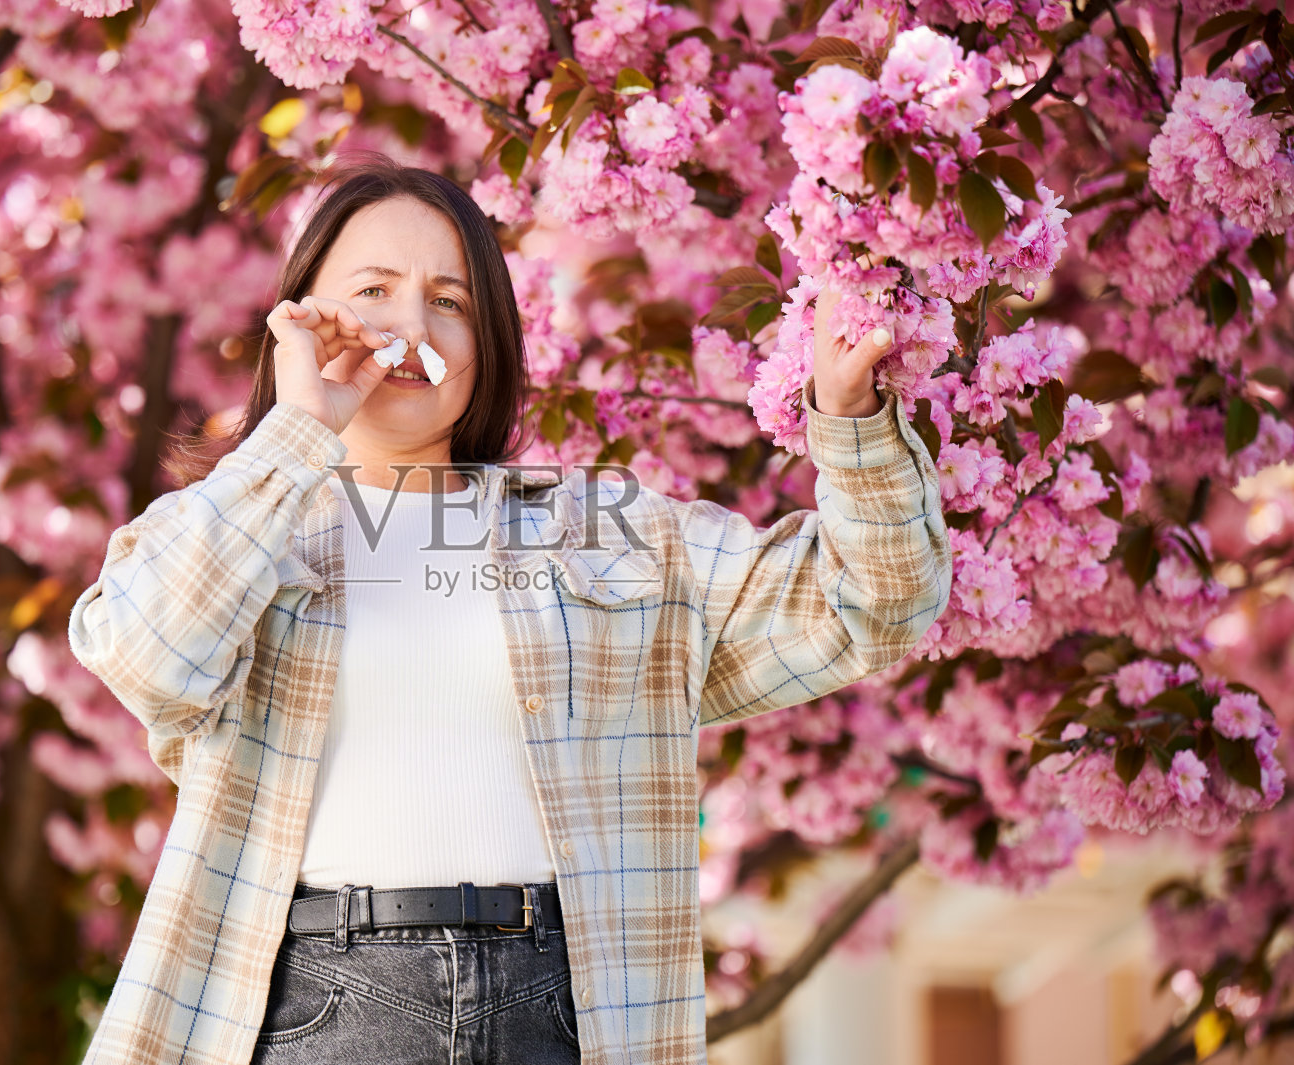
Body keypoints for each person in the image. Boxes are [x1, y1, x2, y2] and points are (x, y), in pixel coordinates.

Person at [66, 151, 952, 1065]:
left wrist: (851, 420)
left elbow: (874, 602)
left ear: (488, 341)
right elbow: (145, 656)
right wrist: (298, 430)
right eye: (373, 290)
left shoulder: (608, 536)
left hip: (565, 1011)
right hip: (320, 1008)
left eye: (449, 302)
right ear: (299, 318)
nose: (411, 325)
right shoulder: (236, 531)